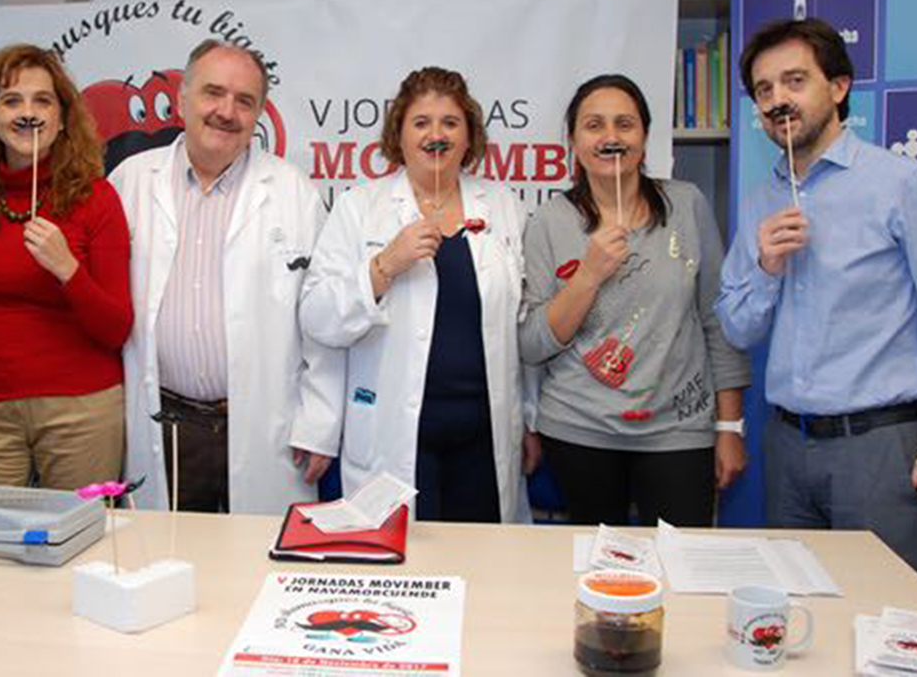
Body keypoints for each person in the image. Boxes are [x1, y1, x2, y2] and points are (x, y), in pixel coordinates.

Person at [717, 19, 917, 576]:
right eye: (765, 89)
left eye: (794, 81)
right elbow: (736, 328)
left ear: (840, 87)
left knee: (887, 618)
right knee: (797, 620)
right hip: (787, 446)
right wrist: (766, 267)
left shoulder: (902, 186)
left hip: (881, 447)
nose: (779, 100)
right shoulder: (760, 200)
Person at [108, 39, 342, 514]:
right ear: (182, 98)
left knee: (257, 571)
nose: (226, 111)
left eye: (245, 101)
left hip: (261, 425)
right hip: (162, 422)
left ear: (258, 114)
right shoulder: (130, 181)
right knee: (164, 568)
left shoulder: (293, 191)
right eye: (213, 93)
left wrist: (320, 422)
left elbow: (321, 318)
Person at [299, 66, 538, 523]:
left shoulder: (503, 205)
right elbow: (317, 317)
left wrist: (529, 416)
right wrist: (385, 264)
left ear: (469, 137)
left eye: (450, 123)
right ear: (399, 135)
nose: (436, 135)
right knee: (405, 566)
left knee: (484, 565)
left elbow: (521, 322)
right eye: (421, 123)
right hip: (395, 432)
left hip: (485, 435)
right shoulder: (360, 207)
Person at [520, 74, 750, 527]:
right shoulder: (549, 222)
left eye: (624, 124)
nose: (610, 137)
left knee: (682, 569)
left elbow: (717, 320)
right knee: (596, 571)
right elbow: (533, 344)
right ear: (573, 141)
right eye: (594, 125)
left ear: (644, 139)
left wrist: (729, 427)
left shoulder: (687, 204)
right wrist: (588, 275)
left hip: (680, 432)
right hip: (579, 429)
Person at [0, 44, 133, 495]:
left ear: (62, 119)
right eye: (11, 100)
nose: (27, 113)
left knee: (79, 549)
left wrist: (68, 270)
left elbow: (117, 328)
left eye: (43, 101)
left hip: (81, 411)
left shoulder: (97, 199)